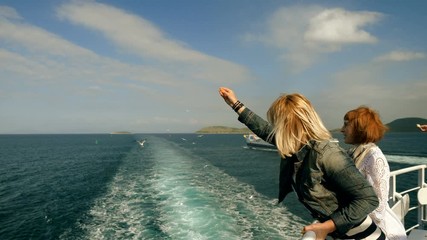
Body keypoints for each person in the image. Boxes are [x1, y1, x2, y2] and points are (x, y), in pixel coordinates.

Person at [218, 87, 384, 240]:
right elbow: (264, 130)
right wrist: (235, 104)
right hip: (339, 235)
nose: (275, 128)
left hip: (362, 236)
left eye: (278, 123)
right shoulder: (296, 146)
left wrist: (326, 227)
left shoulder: (327, 154)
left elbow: (368, 199)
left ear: (291, 125)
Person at [341, 107, 407, 240]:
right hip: (357, 226)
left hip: (373, 231)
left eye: (346, 124)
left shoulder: (374, 157)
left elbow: (378, 204)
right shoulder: (354, 152)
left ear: (360, 127)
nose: (342, 129)